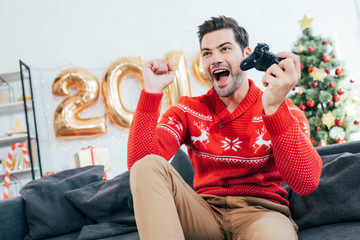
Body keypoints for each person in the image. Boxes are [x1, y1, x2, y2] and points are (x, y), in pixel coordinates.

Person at [127, 16, 322, 240]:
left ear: (247, 54)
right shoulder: (188, 110)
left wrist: (275, 108)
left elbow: (306, 182)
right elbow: (139, 167)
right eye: (207, 53)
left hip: (262, 215)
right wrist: (152, 92)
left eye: (225, 49)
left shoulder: (281, 108)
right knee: (148, 165)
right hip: (203, 215)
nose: (215, 59)